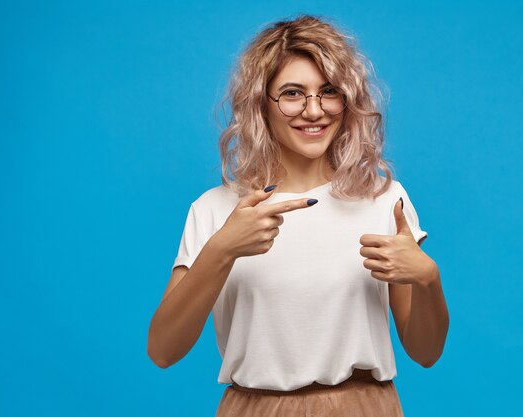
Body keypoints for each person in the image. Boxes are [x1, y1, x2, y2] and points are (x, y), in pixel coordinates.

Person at [147, 14, 449, 417]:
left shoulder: (384, 200)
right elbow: (163, 351)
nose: (314, 111)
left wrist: (428, 277)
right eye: (292, 93)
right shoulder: (216, 210)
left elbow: (426, 353)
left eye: (329, 92)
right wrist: (222, 250)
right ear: (261, 103)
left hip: (363, 406)